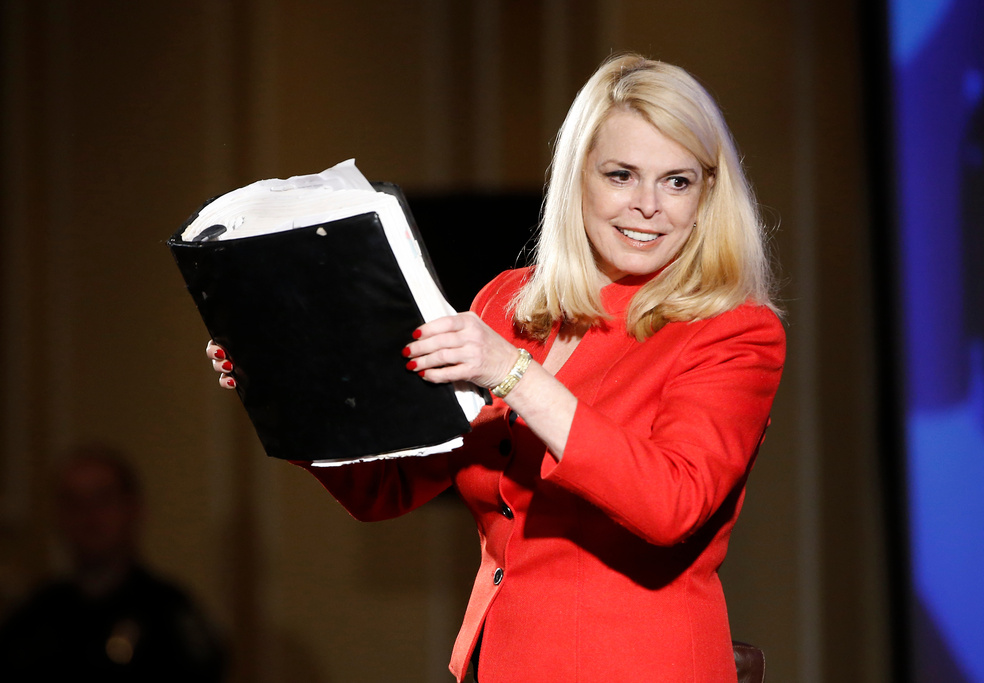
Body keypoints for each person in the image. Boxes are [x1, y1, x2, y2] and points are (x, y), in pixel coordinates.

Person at [208, 53, 785, 682]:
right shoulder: (507, 306)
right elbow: (389, 489)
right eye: (621, 175)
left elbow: (672, 504)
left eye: (677, 181)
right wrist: (288, 384)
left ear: (708, 194)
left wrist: (514, 375)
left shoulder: (734, 331)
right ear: (577, 179)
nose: (648, 205)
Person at [0, 445, 226, 682]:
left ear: (132, 508)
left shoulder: (168, 610)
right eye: (73, 503)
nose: (88, 516)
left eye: (102, 499)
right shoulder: (36, 612)